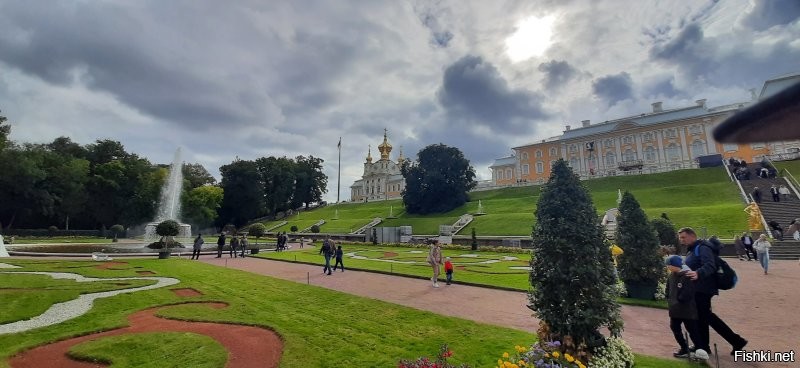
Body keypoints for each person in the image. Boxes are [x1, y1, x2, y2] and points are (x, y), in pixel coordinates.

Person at [680, 227, 748, 356]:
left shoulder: (702, 248)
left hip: (703, 289)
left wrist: (698, 273)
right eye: (680, 238)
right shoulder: (694, 249)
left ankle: (736, 341)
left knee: (706, 317)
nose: (681, 240)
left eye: (683, 237)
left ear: (692, 236)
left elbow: (710, 264)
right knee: (703, 317)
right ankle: (705, 346)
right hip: (699, 288)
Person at [664, 255, 708, 360]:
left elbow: (687, 293)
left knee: (692, 330)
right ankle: (684, 348)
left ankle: (700, 349)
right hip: (675, 310)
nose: (668, 267)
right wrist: (669, 298)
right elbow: (668, 288)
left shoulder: (687, 276)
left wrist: (678, 300)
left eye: (669, 265)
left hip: (687, 310)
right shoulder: (671, 275)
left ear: (675, 265)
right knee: (675, 327)